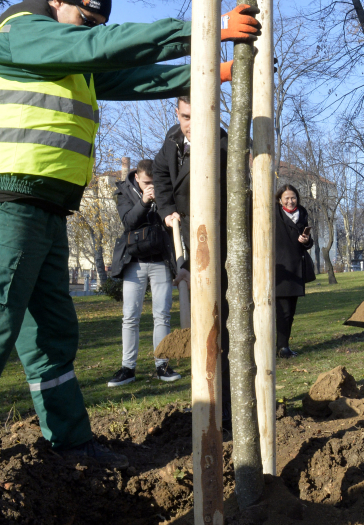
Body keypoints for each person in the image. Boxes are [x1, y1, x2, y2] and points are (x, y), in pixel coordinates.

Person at [0, 0, 259, 483]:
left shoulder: (68, 59)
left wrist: (210, 70)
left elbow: (131, 76)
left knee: (52, 335)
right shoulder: (21, 35)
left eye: (100, 22)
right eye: (87, 18)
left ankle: (71, 440)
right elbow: (104, 46)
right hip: (7, 205)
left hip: (45, 208)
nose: (94, 29)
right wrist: (207, 31)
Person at [152, 96, 234, 429]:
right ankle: (204, 403)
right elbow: (159, 174)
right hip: (186, 236)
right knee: (198, 326)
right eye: (186, 116)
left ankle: (226, 409)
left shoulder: (224, 144)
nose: (190, 124)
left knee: (220, 328)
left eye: (197, 117)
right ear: (177, 113)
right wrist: (167, 208)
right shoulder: (173, 140)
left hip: (219, 241)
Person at [108, 159, 182, 387]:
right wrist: (143, 201)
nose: (150, 186)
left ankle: (163, 365)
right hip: (134, 262)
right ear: (137, 178)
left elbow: (169, 219)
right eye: (146, 182)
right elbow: (128, 222)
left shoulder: (164, 190)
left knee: (163, 315)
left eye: (153, 182)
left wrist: (161, 202)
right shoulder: (123, 192)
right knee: (130, 317)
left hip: (160, 260)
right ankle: (127, 368)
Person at [275, 185, 314, 359]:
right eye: (287, 198)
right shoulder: (274, 212)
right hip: (280, 268)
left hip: (296, 267)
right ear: (279, 200)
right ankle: (281, 347)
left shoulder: (302, 213)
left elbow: (308, 243)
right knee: (282, 311)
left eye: (293, 198)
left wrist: (305, 240)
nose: (290, 201)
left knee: (290, 311)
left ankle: (284, 346)